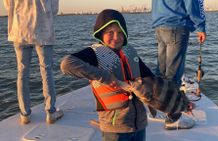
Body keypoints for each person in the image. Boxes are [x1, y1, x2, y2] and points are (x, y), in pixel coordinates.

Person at [60, 9, 193, 141]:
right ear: (100, 34)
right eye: (110, 32)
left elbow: (155, 82)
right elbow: (66, 64)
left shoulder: (130, 52)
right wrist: (104, 77)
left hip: (140, 124)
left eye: (120, 32)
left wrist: (181, 101)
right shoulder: (94, 53)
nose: (116, 37)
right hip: (114, 127)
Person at [3, 0, 63, 124]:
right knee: (46, 70)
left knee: (22, 72)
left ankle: (25, 114)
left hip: (20, 29)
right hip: (43, 28)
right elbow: (54, 8)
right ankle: (50, 112)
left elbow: (8, 5)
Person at [151, 0, 207, 129]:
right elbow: (192, 4)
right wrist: (200, 27)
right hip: (176, 26)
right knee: (174, 74)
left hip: (160, 26)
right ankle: (172, 119)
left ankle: (159, 109)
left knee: (161, 73)